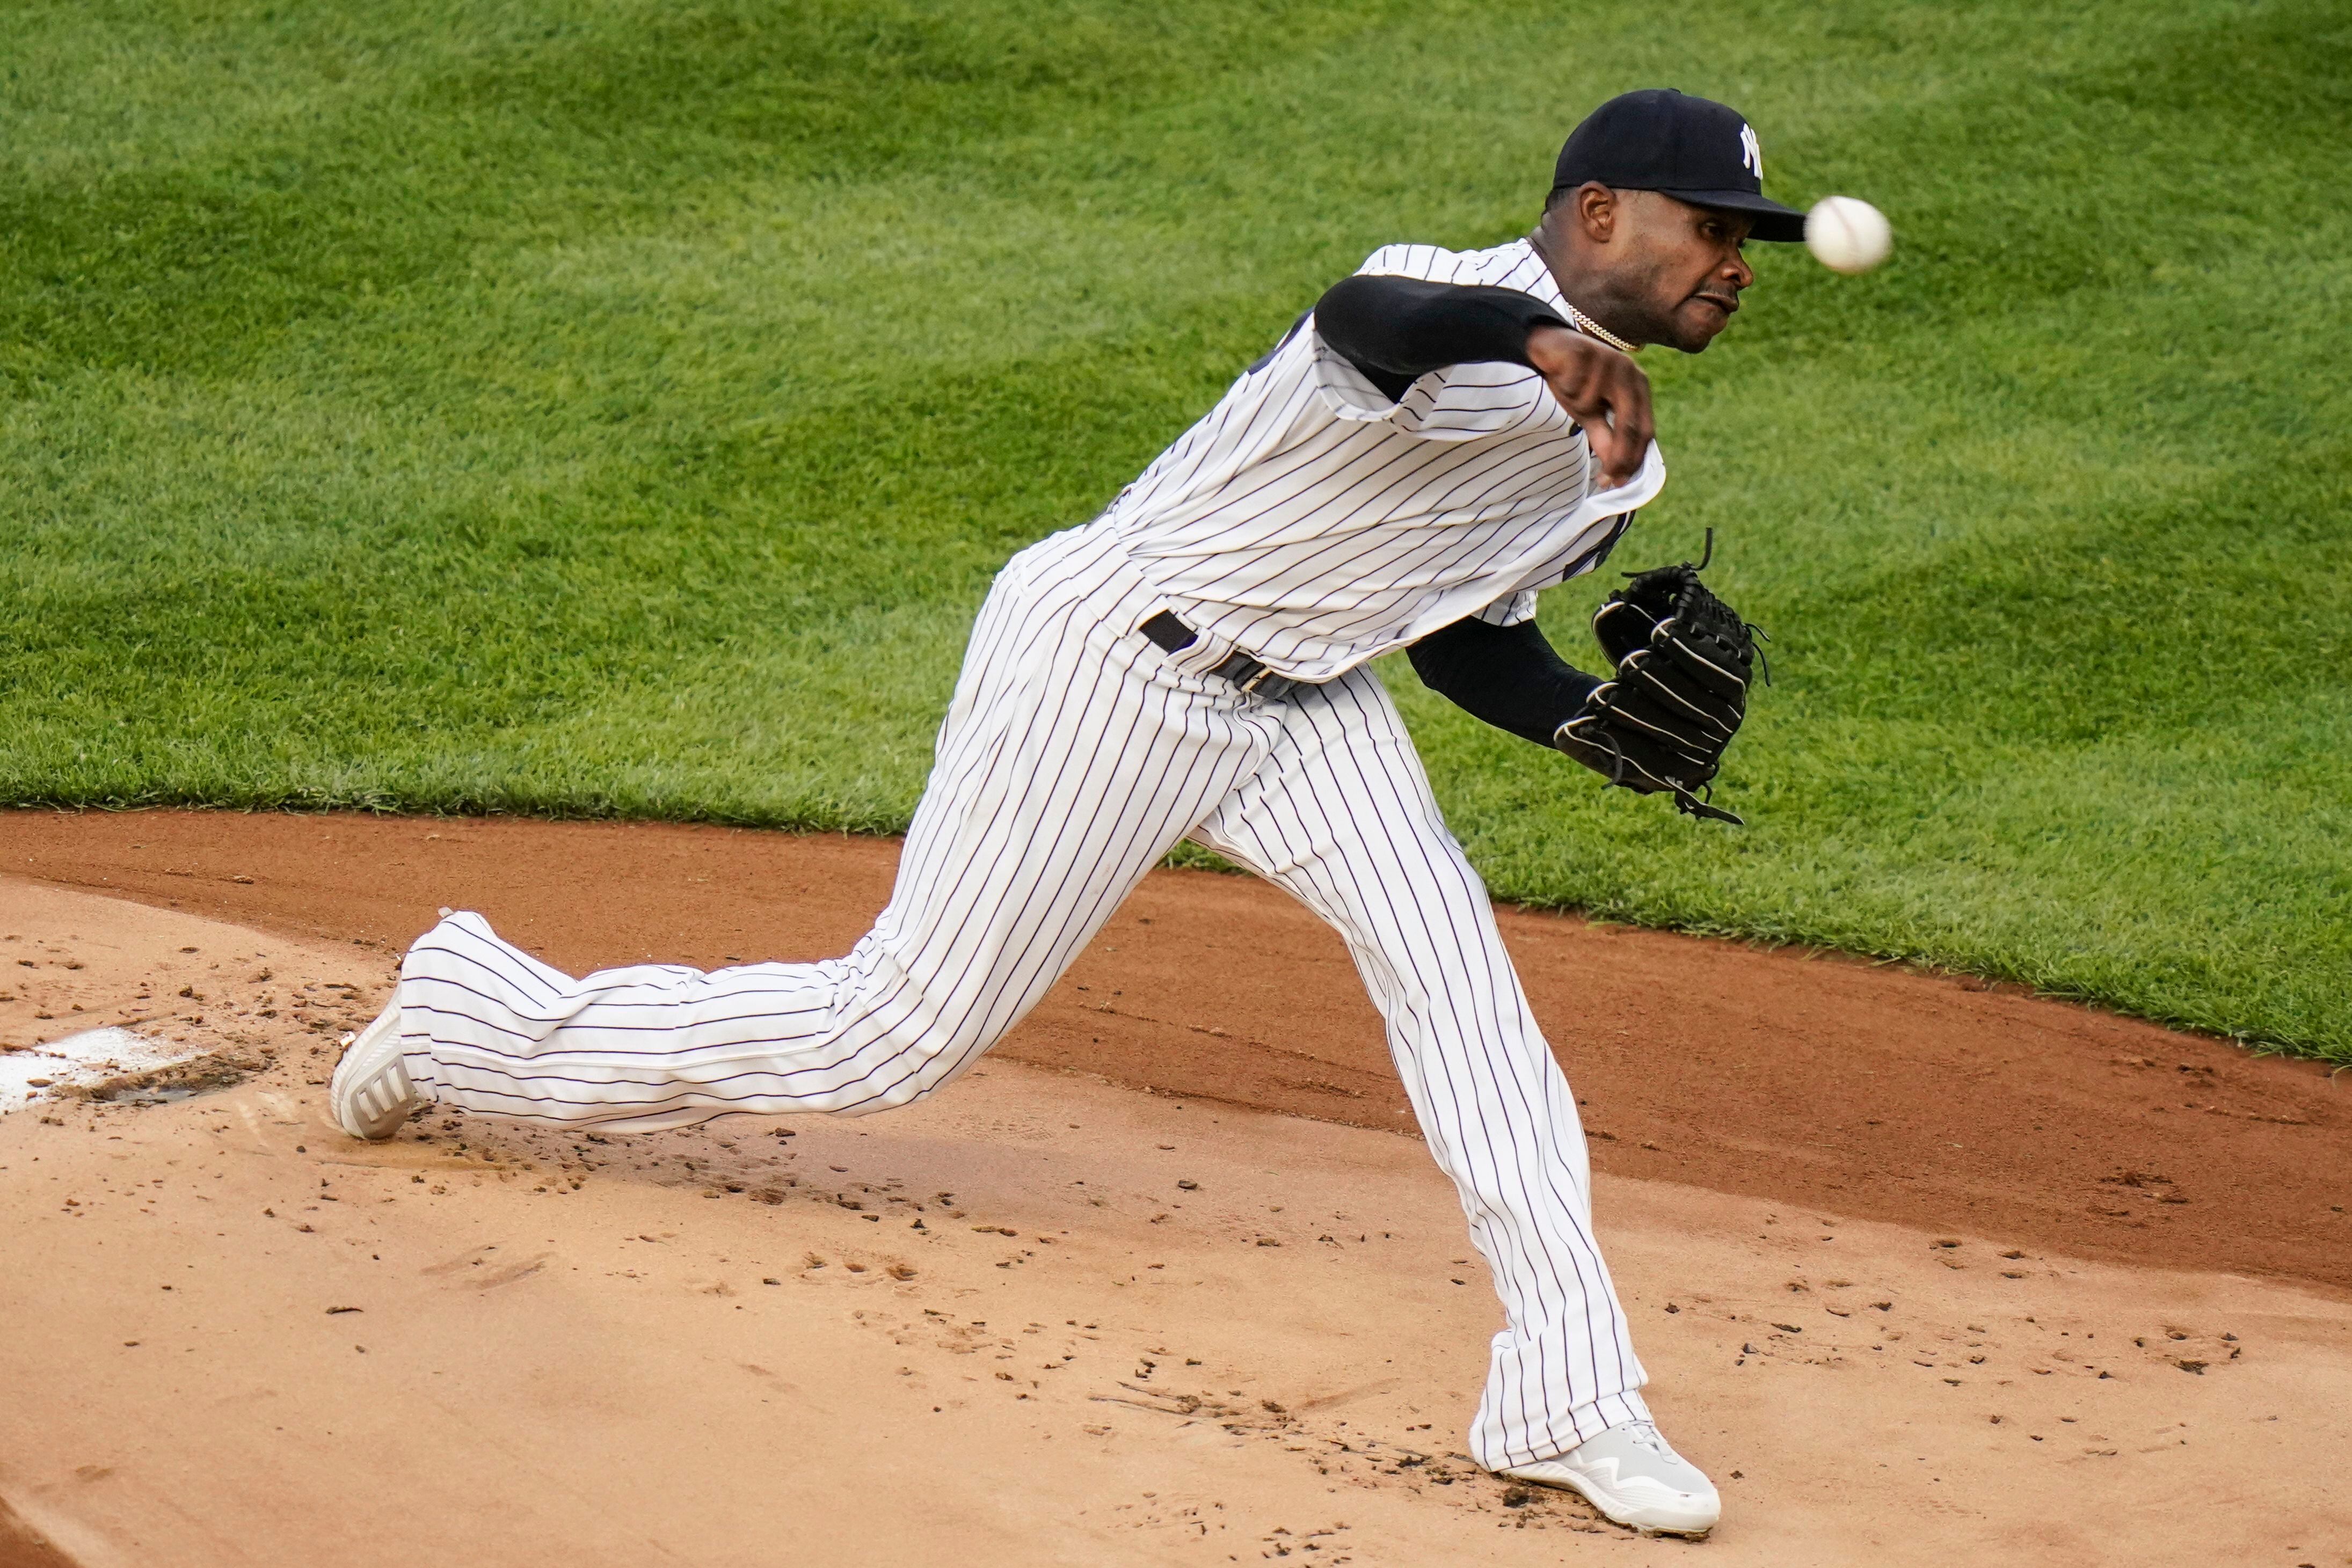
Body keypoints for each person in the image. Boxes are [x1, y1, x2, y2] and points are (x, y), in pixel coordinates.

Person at [332, 87, 1806, 1538]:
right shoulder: (1448, 295)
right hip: (1112, 654)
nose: (1739, 261)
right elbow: (1368, 320)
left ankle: (1565, 1397)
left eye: (1754, 240)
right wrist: (1536, 340)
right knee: (890, 1033)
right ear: (1601, 213)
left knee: (1464, 985)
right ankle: (472, 1016)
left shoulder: (1623, 459)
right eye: (1716, 227)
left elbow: (1461, 635)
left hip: (1309, 706)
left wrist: (1585, 727)